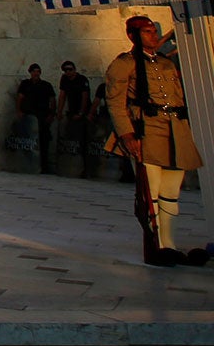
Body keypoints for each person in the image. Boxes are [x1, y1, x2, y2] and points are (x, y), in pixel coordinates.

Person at [106, 14, 205, 267]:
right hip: (146, 129)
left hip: (173, 128)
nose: (153, 35)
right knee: (151, 193)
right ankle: (156, 247)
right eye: (147, 32)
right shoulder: (124, 64)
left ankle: (169, 245)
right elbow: (116, 103)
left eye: (154, 30)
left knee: (171, 192)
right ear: (132, 36)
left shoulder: (166, 64)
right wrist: (126, 134)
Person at [15, 63, 57, 172]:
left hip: (42, 115)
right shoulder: (25, 84)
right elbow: (20, 97)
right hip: (29, 115)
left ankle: (44, 166)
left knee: (44, 140)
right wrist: (19, 111)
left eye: (38, 71)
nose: (36, 73)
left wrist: (51, 114)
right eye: (34, 71)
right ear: (30, 72)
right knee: (28, 140)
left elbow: (52, 100)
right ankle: (27, 164)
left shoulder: (46, 85)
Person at [57, 59, 94, 176]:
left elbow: (85, 97)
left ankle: (86, 169)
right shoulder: (65, 80)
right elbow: (62, 96)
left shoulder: (82, 80)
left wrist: (82, 113)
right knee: (71, 140)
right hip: (71, 112)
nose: (68, 72)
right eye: (66, 70)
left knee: (83, 141)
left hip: (82, 113)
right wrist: (59, 111)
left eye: (70, 69)